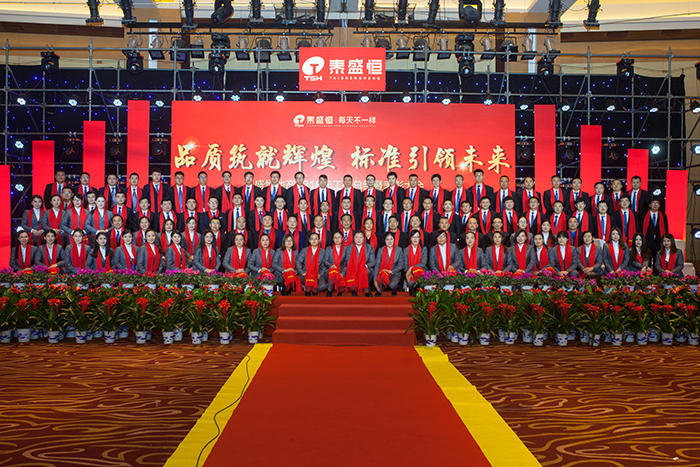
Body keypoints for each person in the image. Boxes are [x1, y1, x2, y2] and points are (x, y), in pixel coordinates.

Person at [341, 230, 376, 297]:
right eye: (357, 237)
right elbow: (348, 261)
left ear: (364, 238)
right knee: (355, 270)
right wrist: (357, 267)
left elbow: (372, 262)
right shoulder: (349, 248)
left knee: (365, 271)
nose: (359, 239)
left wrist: (364, 266)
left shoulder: (369, 247)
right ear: (353, 238)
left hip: (365, 268)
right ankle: (354, 289)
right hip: (353, 268)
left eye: (361, 237)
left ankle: (367, 290)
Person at [373, 232, 402, 296]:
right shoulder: (381, 250)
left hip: (394, 273)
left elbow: (400, 265)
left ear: (394, 240)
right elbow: (377, 265)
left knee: (392, 285)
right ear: (384, 241)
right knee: (380, 279)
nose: (389, 241)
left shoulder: (399, 250)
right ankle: (379, 289)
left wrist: (391, 271)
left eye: (391, 239)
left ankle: (394, 289)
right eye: (387, 239)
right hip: (382, 273)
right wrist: (375, 279)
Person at [402, 229, 427, 294]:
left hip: (421, 271)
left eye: (417, 237)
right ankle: (412, 288)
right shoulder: (406, 249)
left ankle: (420, 289)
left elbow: (423, 263)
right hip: (410, 272)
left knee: (422, 281)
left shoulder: (424, 249)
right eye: (413, 237)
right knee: (410, 283)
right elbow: (405, 264)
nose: (415, 239)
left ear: (420, 238)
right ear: (410, 238)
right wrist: (409, 271)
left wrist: (412, 267)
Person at [324, 231, 346, 296]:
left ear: (342, 239)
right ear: (333, 239)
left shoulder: (346, 249)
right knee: (333, 271)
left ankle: (338, 288)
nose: (337, 239)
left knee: (336, 272)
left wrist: (342, 273)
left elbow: (347, 263)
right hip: (329, 270)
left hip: (341, 270)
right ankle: (330, 290)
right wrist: (331, 266)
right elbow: (325, 261)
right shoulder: (329, 249)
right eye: (335, 237)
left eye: (339, 237)